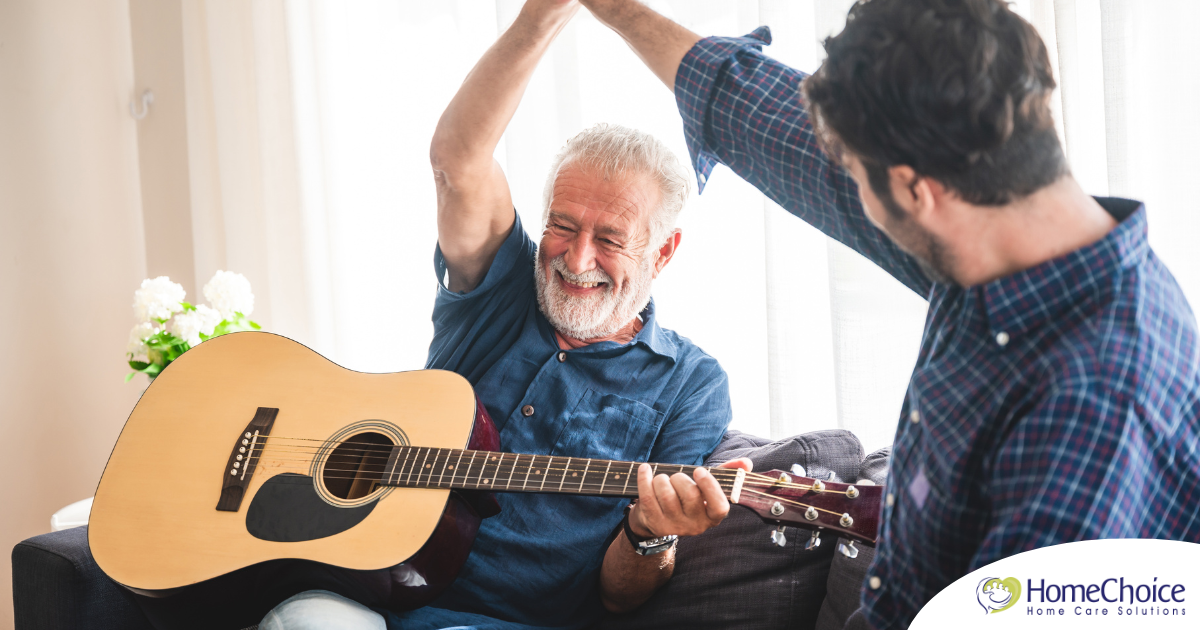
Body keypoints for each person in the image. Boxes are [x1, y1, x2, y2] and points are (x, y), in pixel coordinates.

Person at [579, 0, 1200, 627]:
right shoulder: (996, 216)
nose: (847, 189)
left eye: (857, 175)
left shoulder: (1091, 407)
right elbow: (762, 116)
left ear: (914, 191)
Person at [260, 2, 750, 629]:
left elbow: (621, 597)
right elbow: (457, 163)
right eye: (562, 226)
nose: (576, 259)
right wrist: (541, 17)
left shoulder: (691, 382)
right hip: (356, 591)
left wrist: (652, 533)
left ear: (663, 250)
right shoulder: (503, 285)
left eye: (610, 239)